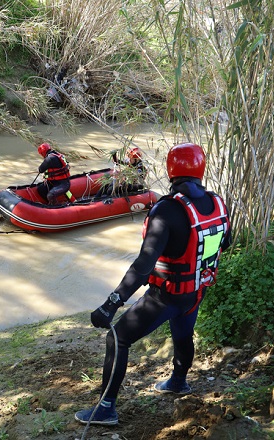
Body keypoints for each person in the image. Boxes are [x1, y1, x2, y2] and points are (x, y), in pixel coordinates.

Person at [74, 143, 231, 426]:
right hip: (196, 291)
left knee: (118, 338)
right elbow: (224, 244)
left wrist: (111, 304)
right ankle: (178, 383)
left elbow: (144, 265)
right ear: (200, 168)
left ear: (171, 170)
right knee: (183, 333)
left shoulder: (166, 211)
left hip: (167, 296)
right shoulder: (217, 202)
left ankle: (106, 408)